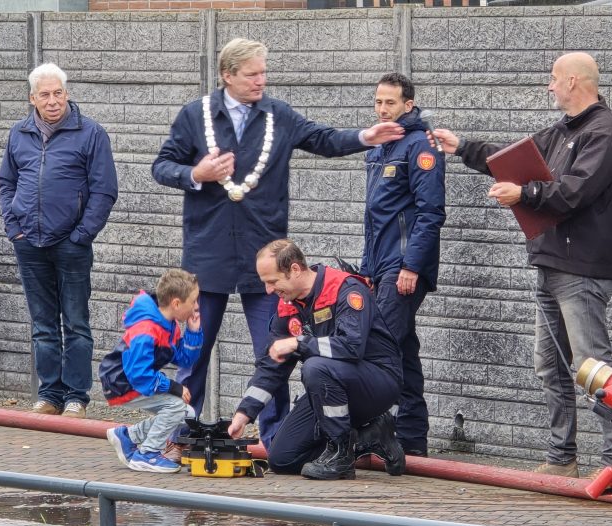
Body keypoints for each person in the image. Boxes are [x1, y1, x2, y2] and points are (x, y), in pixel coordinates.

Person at [152, 38, 403, 453]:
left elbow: (322, 139)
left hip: (264, 257)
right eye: (252, 74)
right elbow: (161, 165)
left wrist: (365, 136)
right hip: (208, 252)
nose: (261, 81)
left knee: (274, 350)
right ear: (227, 75)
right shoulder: (195, 116)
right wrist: (196, 172)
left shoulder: (278, 115)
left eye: (263, 73)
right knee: (192, 353)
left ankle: (273, 438)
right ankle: (178, 435)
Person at [431, 53, 612, 477]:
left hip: (582, 270)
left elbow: (575, 192)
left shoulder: (603, 132)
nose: (549, 86)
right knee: (551, 366)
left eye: (554, 79)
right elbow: (512, 158)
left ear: (573, 81)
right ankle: (563, 458)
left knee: (592, 367)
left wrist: (524, 196)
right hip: (550, 262)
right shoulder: (563, 131)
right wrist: (462, 148)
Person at [0, 63, 118, 419]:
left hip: (71, 244)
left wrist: (82, 235)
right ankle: (48, 395)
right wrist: (13, 228)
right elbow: (6, 182)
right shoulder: (19, 134)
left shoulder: (90, 133)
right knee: (43, 324)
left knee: (76, 323)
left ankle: (76, 398)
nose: (53, 101)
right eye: (45, 95)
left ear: (66, 93)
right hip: (28, 243)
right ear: (32, 98)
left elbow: (105, 190)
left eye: (58, 93)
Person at [228, 239, 405, 481]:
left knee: (315, 367)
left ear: (295, 270)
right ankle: (368, 437)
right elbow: (272, 366)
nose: (269, 291)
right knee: (282, 459)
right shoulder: (289, 306)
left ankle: (341, 454)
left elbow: (351, 347)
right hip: (330, 385)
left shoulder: (345, 290)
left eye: (272, 281)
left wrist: (299, 343)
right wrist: (244, 414)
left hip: (378, 381)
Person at [358, 73, 446, 457]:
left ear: (408, 105)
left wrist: (411, 266)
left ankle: (377, 432)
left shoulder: (421, 146)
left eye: (390, 103)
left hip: (405, 267)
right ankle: (412, 438)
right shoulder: (380, 146)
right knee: (402, 347)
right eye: (378, 102)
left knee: (379, 347)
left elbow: (430, 213)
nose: (382, 109)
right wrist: (366, 271)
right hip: (381, 266)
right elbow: (374, 218)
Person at [100, 269, 203, 474]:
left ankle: (128, 436)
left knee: (187, 414)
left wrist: (193, 332)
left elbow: (184, 359)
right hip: (122, 383)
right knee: (175, 406)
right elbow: (139, 375)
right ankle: (147, 454)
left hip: (137, 379)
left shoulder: (168, 324)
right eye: (193, 301)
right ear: (176, 303)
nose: (196, 307)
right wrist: (173, 387)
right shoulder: (147, 329)